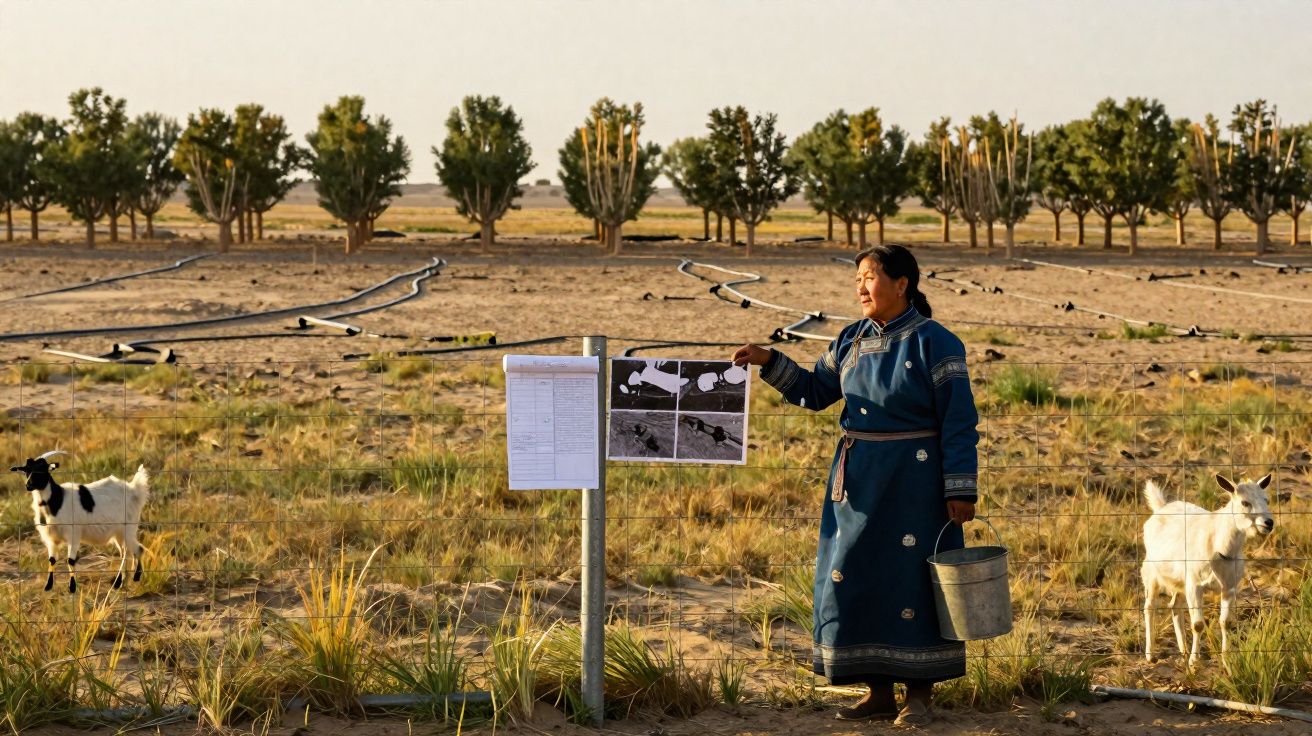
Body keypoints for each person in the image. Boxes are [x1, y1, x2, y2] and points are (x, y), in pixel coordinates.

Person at [732, 244, 979, 726]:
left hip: (917, 482)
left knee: (913, 579)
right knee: (855, 574)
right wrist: (768, 360)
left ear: (901, 283)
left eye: (869, 276)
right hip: (858, 483)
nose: (860, 286)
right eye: (858, 278)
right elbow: (815, 391)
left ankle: (920, 696)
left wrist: (960, 487)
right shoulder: (848, 340)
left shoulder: (937, 342)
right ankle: (878, 692)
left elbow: (959, 419)